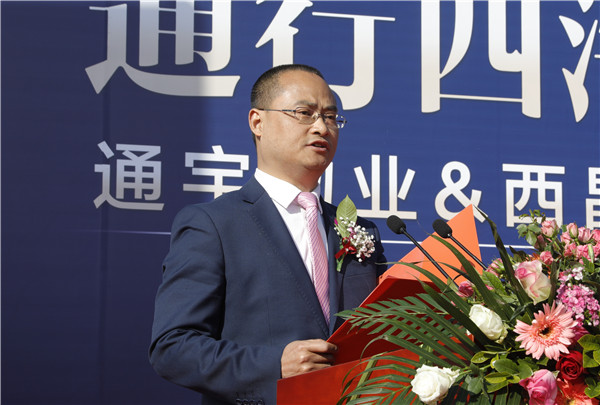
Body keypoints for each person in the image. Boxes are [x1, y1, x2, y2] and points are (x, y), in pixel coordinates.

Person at [149, 64, 387, 405]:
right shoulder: (213, 224)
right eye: (304, 113)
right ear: (257, 122)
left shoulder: (360, 230)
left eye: (331, 117)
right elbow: (173, 347)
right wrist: (274, 366)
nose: (321, 127)